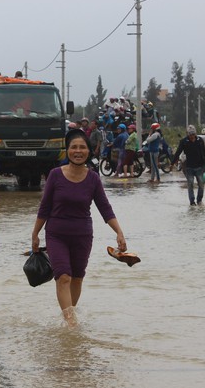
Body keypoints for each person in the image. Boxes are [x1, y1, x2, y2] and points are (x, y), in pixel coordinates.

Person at [30, 129, 128, 328]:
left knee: (77, 277)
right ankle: (71, 322)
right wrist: (35, 234)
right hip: (56, 234)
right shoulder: (55, 175)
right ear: (67, 150)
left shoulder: (92, 178)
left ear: (89, 151)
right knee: (63, 276)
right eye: (73, 147)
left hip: (82, 235)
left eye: (82, 147)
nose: (78, 151)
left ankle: (69, 315)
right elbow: (44, 207)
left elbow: (105, 208)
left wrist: (119, 232)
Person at [172, 125, 205, 206]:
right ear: (188, 135)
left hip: (199, 166)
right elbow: (178, 152)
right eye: (190, 135)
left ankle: (199, 200)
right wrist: (173, 162)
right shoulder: (184, 142)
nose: (192, 137)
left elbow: (203, 152)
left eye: (193, 134)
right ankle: (192, 202)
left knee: (201, 184)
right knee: (190, 184)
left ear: (195, 134)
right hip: (189, 167)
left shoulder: (200, 140)